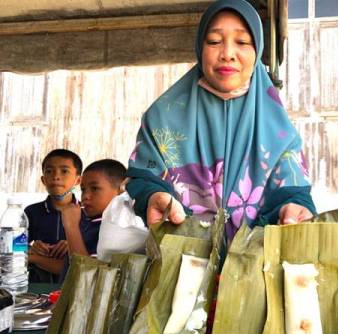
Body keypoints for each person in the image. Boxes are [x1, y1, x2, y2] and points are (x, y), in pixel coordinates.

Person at [126, 0, 316, 242]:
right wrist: (153, 197)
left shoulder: (278, 129)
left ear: (257, 51)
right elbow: (144, 178)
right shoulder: (161, 117)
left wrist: (294, 209)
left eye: (242, 42)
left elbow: (294, 191)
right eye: (214, 41)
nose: (227, 54)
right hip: (184, 267)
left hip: (254, 269)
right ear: (199, 48)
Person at [57, 158, 127, 281]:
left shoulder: (115, 228)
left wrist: (71, 227)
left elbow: (88, 276)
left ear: (121, 191)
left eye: (95, 188)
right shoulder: (89, 221)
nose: (86, 196)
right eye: (83, 189)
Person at [24, 149, 84, 283]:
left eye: (64, 171)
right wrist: (30, 248)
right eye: (49, 171)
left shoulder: (86, 213)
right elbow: (13, 248)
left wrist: (73, 245)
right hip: (36, 286)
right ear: (43, 180)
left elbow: (88, 259)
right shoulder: (31, 212)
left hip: (74, 286)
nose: (56, 176)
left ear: (78, 180)